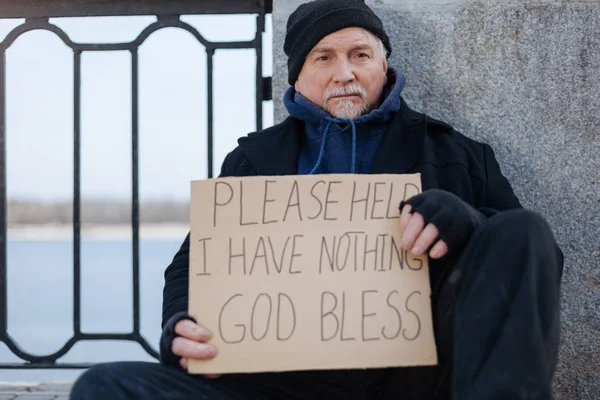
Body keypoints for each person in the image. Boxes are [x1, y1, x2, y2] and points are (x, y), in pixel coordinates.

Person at [70, 0, 563, 398]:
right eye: (323, 57)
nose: (343, 73)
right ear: (298, 75)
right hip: (278, 381)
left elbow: (535, 256)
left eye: (360, 55)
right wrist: (181, 327)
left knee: (522, 227)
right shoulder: (252, 160)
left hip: (421, 375)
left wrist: (468, 223)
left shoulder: (457, 154)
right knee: (105, 385)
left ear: (384, 66)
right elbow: (191, 267)